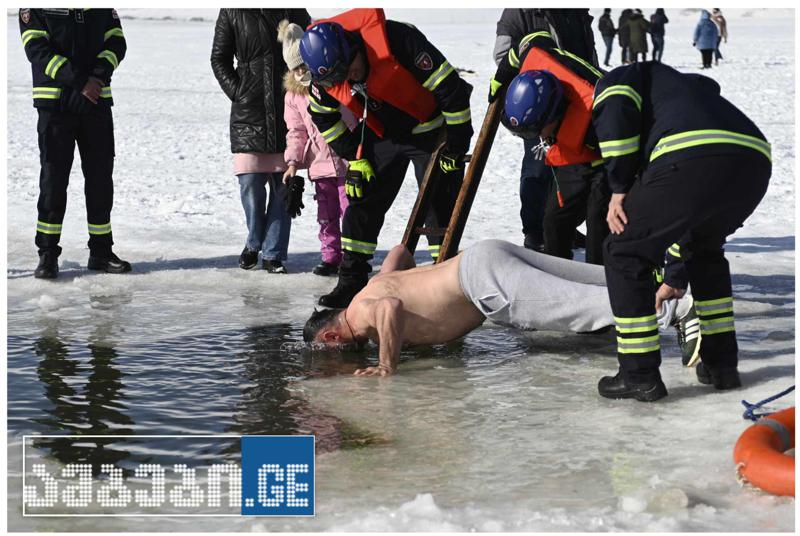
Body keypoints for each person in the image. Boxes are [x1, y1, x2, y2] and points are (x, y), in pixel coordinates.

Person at [502, 60, 771, 401]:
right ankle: (722, 365)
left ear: (557, 108)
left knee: (624, 251)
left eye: (541, 130)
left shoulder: (614, 83)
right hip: (752, 162)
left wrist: (618, 188)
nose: (543, 138)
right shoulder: (669, 97)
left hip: (692, 154)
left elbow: (617, 118)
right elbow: (682, 214)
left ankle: (638, 374)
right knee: (703, 251)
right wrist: (674, 277)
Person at [304, 239, 698, 376]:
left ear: (331, 333)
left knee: (576, 304)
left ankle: (675, 309)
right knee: (588, 279)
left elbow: (389, 307)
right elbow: (399, 252)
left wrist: (387, 365)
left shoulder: (360, 315)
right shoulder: (366, 291)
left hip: (481, 286)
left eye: (328, 349)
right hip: (480, 255)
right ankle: (666, 283)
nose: (333, 355)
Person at [300, 8, 474, 308]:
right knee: (362, 199)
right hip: (383, 133)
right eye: (341, 78)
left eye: (350, 69)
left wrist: (456, 147)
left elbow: (453, 91)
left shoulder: (399, 40)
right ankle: (351, 281)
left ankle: (443, 281)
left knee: (437, 203)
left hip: (430, 129)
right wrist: (354, 156)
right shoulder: (327, 75)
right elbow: (323, 116)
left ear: (352, 48)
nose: (350, 79)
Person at [19, 8, 131, 279]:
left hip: (96, 102)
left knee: (100, 179)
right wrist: (80, 82)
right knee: (53, 181)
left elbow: (116, 42)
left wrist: (98, 77)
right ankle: (47, 254)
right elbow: (36, 48)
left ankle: (101, 252)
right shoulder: (36, 7)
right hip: (55, 105)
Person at [490, 31, 610, 265]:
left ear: (554, 114)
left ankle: (601, 286)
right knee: (554, 221)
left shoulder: (600, 117)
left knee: (599, 226)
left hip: (607, 160)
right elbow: (532, 39)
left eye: (537, 131)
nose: (537, 138)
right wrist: (501, 75)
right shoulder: (533, 58)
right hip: (571, 158)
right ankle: (556, 276)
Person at [211, 9, 310, 273]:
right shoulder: (232, 10)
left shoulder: (293, 8)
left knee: (283, 187)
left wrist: (301, 86)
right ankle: (254, 242)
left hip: (286, 105)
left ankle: (273, 253)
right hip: (249, 110)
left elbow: (309, 46)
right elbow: (218, 59)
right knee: (250, 184)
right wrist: (238, 90)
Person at [278, 20, 356, 277]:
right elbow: (296, 131)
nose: (301, 72)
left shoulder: (333, 83)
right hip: (319, 165)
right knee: (327, 214)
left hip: (347, 161)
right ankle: (331, 257)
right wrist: (292, 163)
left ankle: (353, 257)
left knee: (350, 210)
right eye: (295, 69)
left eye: (303, 65)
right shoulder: (294, 97)